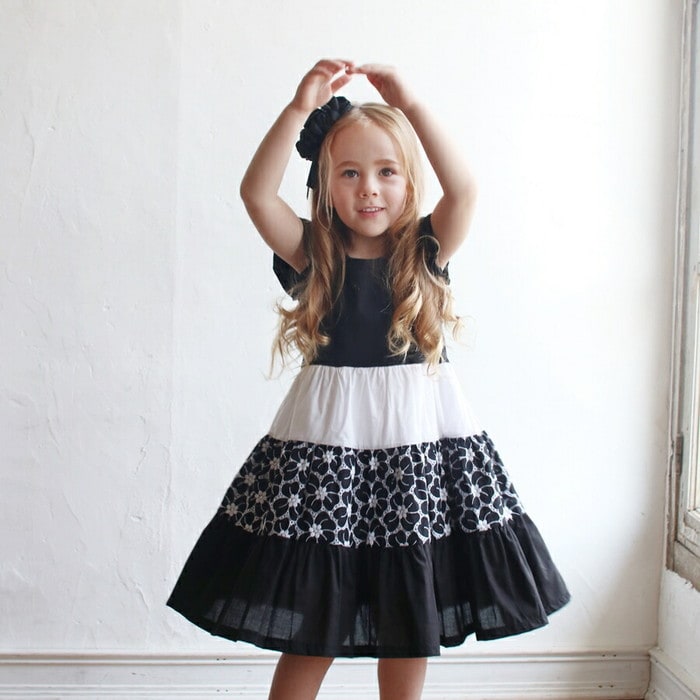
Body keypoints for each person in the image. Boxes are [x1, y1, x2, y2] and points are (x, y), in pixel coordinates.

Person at [166, 59, 570, 700]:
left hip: (417, 448)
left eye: (387, 172)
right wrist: (297, 110)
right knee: (313, 618)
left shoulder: (426, 250)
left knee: (409, 612)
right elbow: (256, 195)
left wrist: (413, 105)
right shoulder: (314, 254)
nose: (369, 189)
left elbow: (465, 190)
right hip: (328, 450)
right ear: (325, 184)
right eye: (349, 173)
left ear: (410, 180)